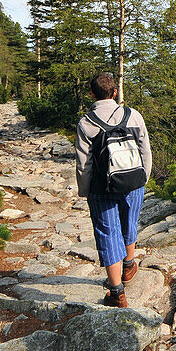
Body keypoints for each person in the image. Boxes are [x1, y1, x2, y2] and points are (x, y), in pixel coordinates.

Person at [75, 72, 152, 307]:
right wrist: (143, 178)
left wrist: (85, 190)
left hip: (102, 188)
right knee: (129, 223)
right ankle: (129, 265)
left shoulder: (86, 122)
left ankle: (117, 292)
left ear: (92, 94)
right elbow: (145, 149)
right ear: (115, 92)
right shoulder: (133, 115)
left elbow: (83, 163)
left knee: (108, 232)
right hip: (133, 182)